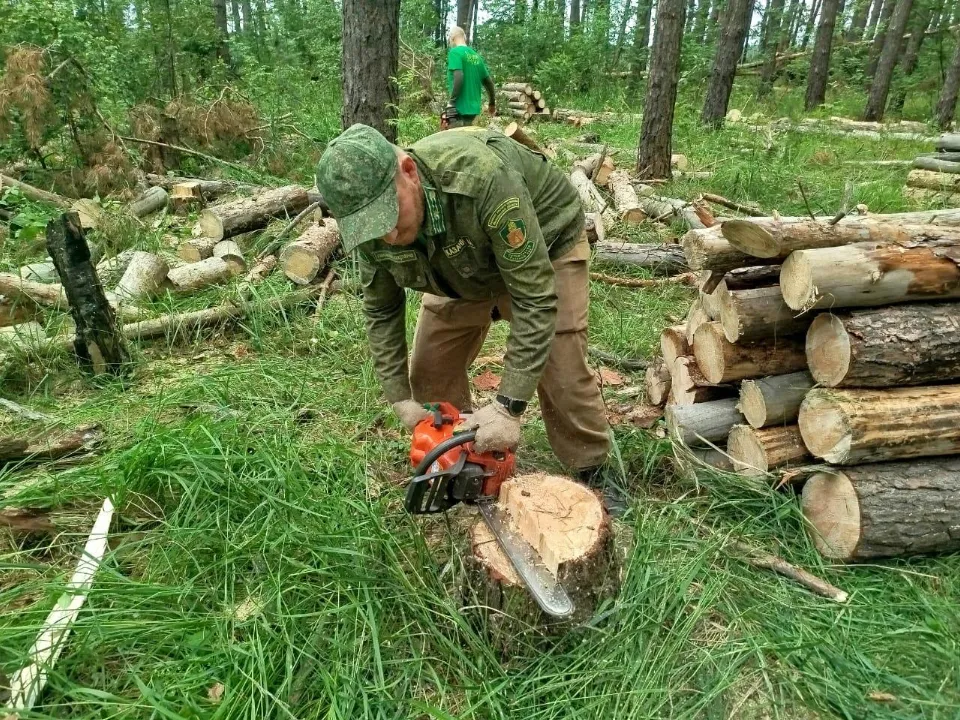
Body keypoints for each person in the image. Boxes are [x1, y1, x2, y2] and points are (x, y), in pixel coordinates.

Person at [315, 123, 617, 502]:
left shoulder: (480, 178)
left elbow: (535, 296)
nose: (388, 236)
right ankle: (466, 457)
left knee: (563, 371)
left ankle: (594, 468)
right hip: (457, 268)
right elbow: (381, 308)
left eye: (390, 215)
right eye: (373, 226)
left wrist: (508, 405)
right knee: (429, 372)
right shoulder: (371, 230)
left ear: (408, 171)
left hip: (546, 245)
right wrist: (399, 395)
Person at [443, 26, 496, 129]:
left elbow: (459, 77)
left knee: (454, 140)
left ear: (452, 37)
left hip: (458, 108)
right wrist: (492, 103)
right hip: (473, 109)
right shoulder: (476, 56)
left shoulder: (455, 52)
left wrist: (451, 102)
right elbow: (489, 82)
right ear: (464, 37)